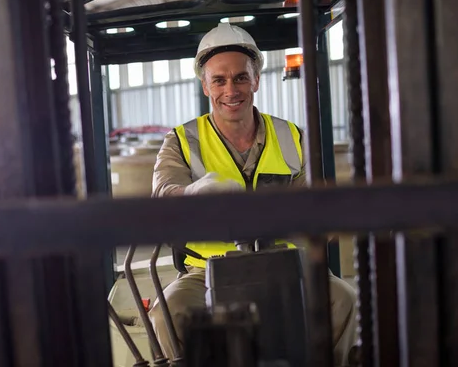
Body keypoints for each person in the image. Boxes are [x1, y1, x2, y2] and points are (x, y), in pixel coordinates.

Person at [148, 22, 358, 366]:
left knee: (343, 299)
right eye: (219, 80)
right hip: (207, 270)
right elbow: (164, 194)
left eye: (241, 78)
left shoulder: (291, 136)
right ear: (206, 86)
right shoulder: (181, 141)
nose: (231, 89)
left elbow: (315, 202)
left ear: (256, 80)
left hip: (287, 262)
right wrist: (192, 194)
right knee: (167, 314)